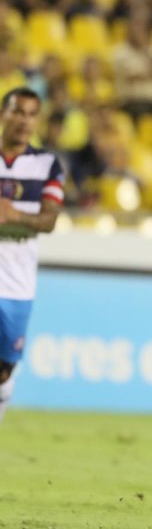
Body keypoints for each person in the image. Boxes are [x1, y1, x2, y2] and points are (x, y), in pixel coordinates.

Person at [0, 88, 64, 423]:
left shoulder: (47, 165)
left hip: (17, 281)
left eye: (31, 114)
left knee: (5, 368)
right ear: (3, 114)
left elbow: (48, 221)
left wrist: (14, 215)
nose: (24, 121)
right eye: (17, 112)